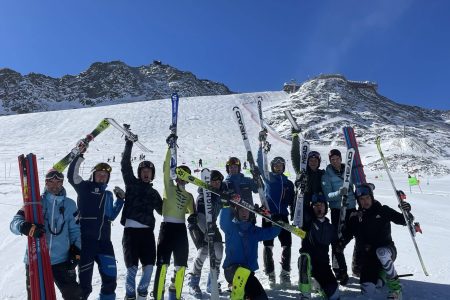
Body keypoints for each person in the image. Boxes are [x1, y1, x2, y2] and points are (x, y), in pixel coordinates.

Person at [10, 169, 83, 300]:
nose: (55, 185)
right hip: (35, 259)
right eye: (51, 182)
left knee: (74, 295)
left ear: (62, 183)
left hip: (61, 260)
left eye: (58, 182)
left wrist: (76, 250)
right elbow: (14, 223)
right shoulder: (34, 202)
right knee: (36, 296)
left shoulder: (70, 205)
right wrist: (25, 227)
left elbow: (76, 231)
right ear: (46, 183)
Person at [68, 146, 125, 300]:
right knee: (85, 286)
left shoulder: (107, 195)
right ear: (93, 175)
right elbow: (71, 176)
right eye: (99, 174)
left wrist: (120, 201)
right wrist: (79, 155)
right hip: (86, 243)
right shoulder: (84, 187)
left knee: (110, 280)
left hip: (105, 243)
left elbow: (110, 216)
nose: (102, 177)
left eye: (105, 176)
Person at [340, 183, 412, 300]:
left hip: (388, 250)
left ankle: (396, 289)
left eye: (367, 198)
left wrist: (406, 211)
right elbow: (348, 234)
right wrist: (340, 242)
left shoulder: (383, 210)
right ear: (358, 200)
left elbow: (404, 221)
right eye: (361, 199)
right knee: (368, 289)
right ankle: (382, 275)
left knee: (381, 252)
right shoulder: (355, 217)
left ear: (372, 197)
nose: (365, 201)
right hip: (369, 257)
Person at [152, 133, 195, 300]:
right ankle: (158, 295)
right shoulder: (169, 187)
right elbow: (165, 169)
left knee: (181, 265)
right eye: (180, 175)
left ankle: (174, 294)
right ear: (176, 176)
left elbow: (192, 213)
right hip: (167, 228)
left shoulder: (190, 196)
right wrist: (169, 148)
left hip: (181, 230)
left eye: (186, 176)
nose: (182, 179)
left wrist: (193, 217)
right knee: (162, 264)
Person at [120, 136, 163, 300]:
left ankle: (142, 294)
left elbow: (163, 210)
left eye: (149, 172)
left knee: (149, 267)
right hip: (131, 233)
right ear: (139, 174)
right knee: (131, 268)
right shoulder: (131, 184)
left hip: (147, 235)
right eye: (143, 171)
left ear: (152, 175)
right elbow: (125, 165)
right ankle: (130, 296)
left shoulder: (154, 193)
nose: (146, 174)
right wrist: (129, 143)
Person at [220, 202, 281, 300]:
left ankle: (242, 294)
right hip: (232, 270)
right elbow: (223, 222)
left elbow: (270, 233)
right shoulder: (231, 227)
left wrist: (277, 224)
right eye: (242, 210)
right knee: (242, 274)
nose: (244, 213)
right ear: (237, 212)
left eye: (247, 211)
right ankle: (237, 295)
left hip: (247, 274)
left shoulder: (254, 231)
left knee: (261, 297)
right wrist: (226, 206)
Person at [257, 132, 295, 286]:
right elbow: (260, 164)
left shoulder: (288, 183)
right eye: (276, 165)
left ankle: (285, 273)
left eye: (281, 165)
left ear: (283, 167)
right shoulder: (268, 177)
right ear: (272, 167)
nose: (278, 167)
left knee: (287, 244)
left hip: (283, 216)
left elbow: (293, 200)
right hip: (268, 215)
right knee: (268, 245)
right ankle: (270, 273)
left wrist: (295, 214)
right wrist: (261, 147)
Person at [187, 170, 225, 297]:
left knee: (219, 250)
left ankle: (212, 282)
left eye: (218, 182)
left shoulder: (219, 195)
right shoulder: (202, 196)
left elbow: (229, 204)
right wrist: (207, 233)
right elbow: (201, 217)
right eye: (213, 181)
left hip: (212, 224)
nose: (216, 184)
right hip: (198, 224)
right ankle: (193, 283)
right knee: (204, 250)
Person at [321, 149, 356, 285]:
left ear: (341, 158)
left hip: (351, 208)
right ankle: (340, 270)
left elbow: (355, 186)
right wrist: (339, 193)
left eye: (337, 158)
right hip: (337, 209)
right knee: (336, 240)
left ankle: (359, 265)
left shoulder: (348, 170)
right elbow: (327, 196)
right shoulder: (326, 176)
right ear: (329, 161)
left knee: (351, 235)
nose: (335, 161)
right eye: (332, 159)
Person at [298, 193, 340, 300]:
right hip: (309, 264)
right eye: (315, 205)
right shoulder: (307, 221)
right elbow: (299, 208)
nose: (318, 207)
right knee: (304, 258)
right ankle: (305, 295)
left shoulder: (331, 228)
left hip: (323, 266)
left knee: (335, 295)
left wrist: (342, 269)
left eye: (321, 205)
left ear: (326, 207)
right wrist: (301, 191)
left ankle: (318, 285)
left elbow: (337, 250)